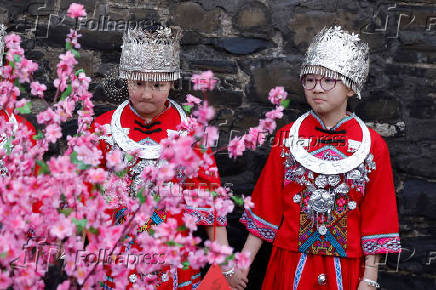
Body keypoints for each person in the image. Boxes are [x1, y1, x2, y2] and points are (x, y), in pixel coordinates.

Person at [234, 26, 401, 290]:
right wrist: (243, 262)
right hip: (290, 262)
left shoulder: (372, 146)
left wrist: (370, 278)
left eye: (328, 80)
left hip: (345, 269)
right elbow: (267, 204)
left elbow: (377, 215)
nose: (317, 88)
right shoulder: (288, 137)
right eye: (310, 80)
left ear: (350, 87)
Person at [93, 25, 233, 289]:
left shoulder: (190, 132)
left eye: (157, 84)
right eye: (138, 83)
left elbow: (208, 194)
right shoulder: (102, 129)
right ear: (126, 80)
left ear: (172, 83)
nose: (147, 93)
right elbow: (84, 189)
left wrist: (224, 259)